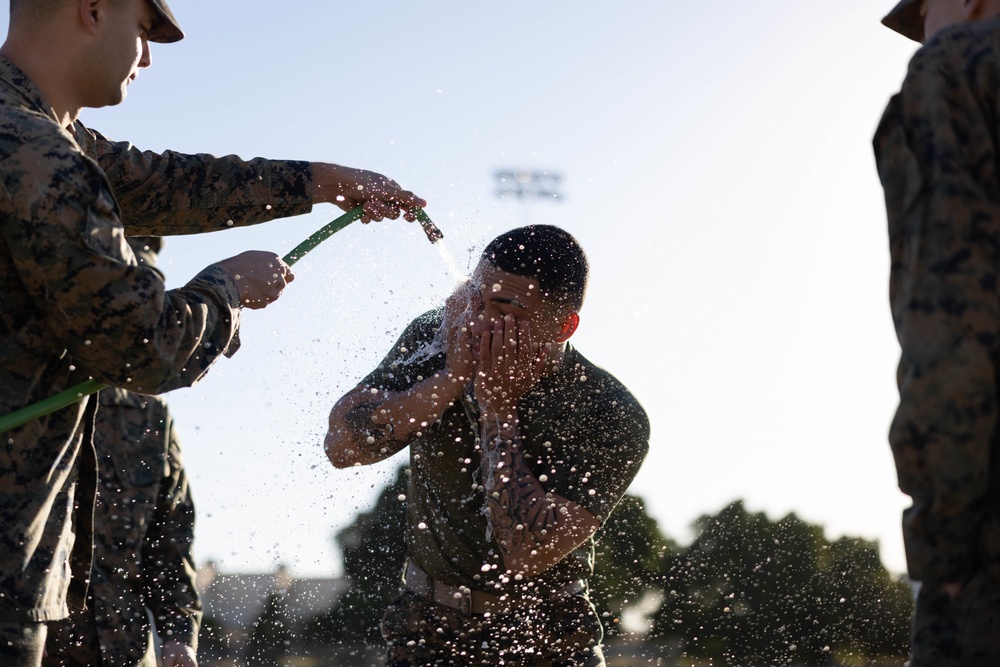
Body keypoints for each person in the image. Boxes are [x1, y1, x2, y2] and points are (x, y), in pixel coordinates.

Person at [0, 0, 425, 664]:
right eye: (142, 32)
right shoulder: (34, 152)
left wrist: (316, 183)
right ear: (91, 11)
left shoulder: (36, 137)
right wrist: (226, 289)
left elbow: (159, 182)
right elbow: (143, 346)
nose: (145, 57)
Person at [325, 225, 650, 666]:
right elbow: (342, 446)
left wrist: (498, 410)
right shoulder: (437, 336)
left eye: (505, 308)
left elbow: (525, 551)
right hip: (428, 626)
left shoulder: (608, 411)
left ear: (563, 325)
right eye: (474, 295)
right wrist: (449, 380)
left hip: (547, 633)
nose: (477, 318)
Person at [875, 1, 1000, 665]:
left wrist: (944, 541)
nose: (921, 33)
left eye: (921, 13)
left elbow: (956, 327)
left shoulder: (955, 71)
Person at [42, 239, 200, 667]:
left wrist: (176, 636)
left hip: (124, 650)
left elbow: (169, 545)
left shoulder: (149, 411)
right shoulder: (20, 398)